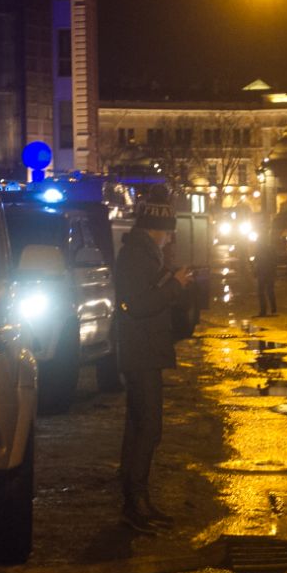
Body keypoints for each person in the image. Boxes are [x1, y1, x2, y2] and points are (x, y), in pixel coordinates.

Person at [114, 197, 193, 533]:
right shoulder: (136, 256)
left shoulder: (142, 254)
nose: (170, 237)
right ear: (155, 229)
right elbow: (138, 304)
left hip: (143, 351)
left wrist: (171, 281)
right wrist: (174, 286)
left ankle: (136, 501)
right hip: (141, 352)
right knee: (149, 427)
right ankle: (135, 502)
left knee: (139, 425)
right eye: (167, 231)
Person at [253, 232, 278, 317]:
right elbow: (275, 260)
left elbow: (257, 261)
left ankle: (263, 310)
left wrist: (255, 271)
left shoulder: (259, 249)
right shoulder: (271, 248)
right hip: (269, 272)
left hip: (262, 272)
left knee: (261, 292)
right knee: (270, 290)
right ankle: (273, 309)